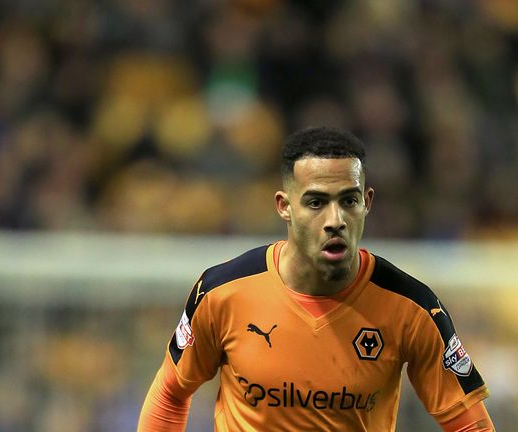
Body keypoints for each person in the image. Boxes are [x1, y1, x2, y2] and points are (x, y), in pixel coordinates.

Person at [138, 127, 494, 431]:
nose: (335, 219)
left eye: (349, 200)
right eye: (315, 202)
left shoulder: (413, 307)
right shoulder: (222, 292)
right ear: (284, 206)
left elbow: (470, 424)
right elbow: (170, 395)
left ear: (367, 202)